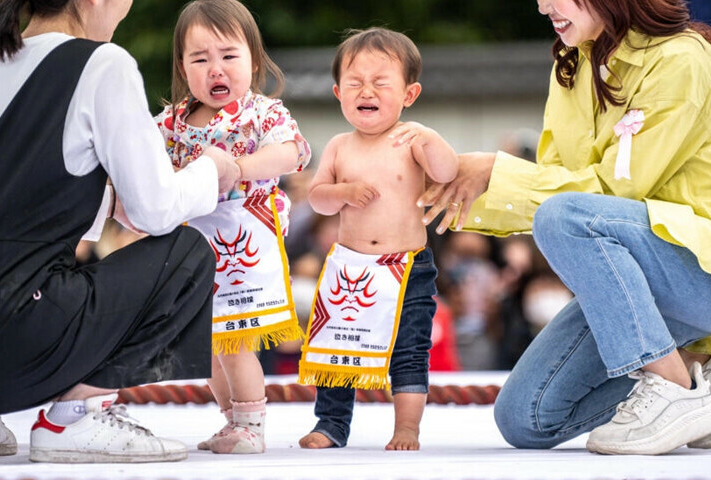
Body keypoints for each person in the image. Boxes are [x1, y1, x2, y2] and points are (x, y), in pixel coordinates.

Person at [0, 0, 241, 464]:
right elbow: (156, 211)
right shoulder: (104, 63)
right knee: (184, 255)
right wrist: (213, 170)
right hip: (8, 347)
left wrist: (109, 202)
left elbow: (3, 203)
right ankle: (71, 417)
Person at [419, 0, 711, 455]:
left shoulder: (681, 58)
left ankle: (675, 389)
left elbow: (614, 192)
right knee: (526, 418)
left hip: (698, 271)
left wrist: (494, 170)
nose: (540, 5)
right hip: (641, 282)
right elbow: (555, 193)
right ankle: (698, 384)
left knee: (565, 217)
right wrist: (451, 188)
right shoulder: (571, 65)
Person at [153, 0, 311, 455]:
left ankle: (250, 421)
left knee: (236, 336)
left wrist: (237, 166)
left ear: (254, 61)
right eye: (200, 59)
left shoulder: (263, 113)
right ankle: (231, 420)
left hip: (247, 238)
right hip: (191, 243)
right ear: (183, 68)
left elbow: (293, 153)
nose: (215, 68)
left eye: (228, 56)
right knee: (203, 343)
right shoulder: (169, 124)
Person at [297, 27, 458, 451]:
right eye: (355, 83)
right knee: (336, 351)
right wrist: (344, 193)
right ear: (338, 92)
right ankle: (331, 424)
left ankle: (406, 428)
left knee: (409, 349)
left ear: (409, 94)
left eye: (380, 82)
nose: (366, 90)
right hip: (350, 266)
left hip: (407, 267)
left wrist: (431, 137)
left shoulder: (411, 140)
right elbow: (317, 200)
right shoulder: (337, 146)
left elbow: (446, 172)